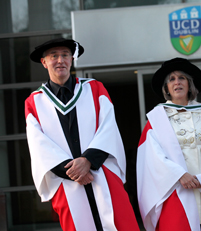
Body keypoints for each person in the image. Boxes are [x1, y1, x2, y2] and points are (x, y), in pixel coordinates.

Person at [25, 38, 139, 231]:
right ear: (44, 62)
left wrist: (88, 161)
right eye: (54, 56)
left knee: (120, 223)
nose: (60, 60)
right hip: (66, 181)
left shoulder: (94, 88)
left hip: (101, 171)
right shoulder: (34, 102)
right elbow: (38, 146)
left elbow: (108, 127)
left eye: (65, 55)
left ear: (72, 59)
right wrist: (73, 171)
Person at [137, 58, 201, 231]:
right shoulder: (157, 118)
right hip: (175, 189)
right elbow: (152, 157)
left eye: (182, 78)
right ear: (166, 87)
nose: (177, 82)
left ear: (190, 84)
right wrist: (180, 175)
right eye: (172, 79)